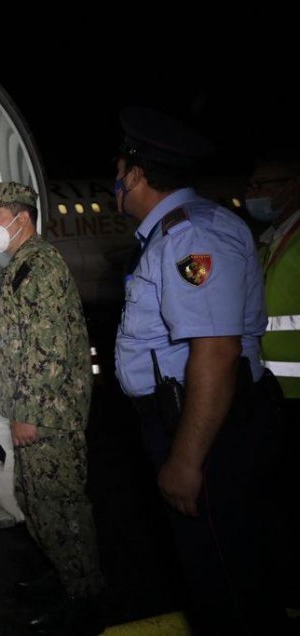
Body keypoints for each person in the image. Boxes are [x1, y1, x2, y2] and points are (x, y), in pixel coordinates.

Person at [114, 108, 288, 633]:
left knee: (225, 581)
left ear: (138, 174)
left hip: (204, 427)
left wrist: (187, 460)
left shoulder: (191, 239)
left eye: (119, 168)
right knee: (222, 571)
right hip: (199, 419)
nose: (115, 180)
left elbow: (215, 351)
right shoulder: (182, 232)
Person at [0, 182, 104, 634]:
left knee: (62, 508)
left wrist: (27, 413)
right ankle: (64, 574)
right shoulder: (24, 264)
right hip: (37, 412)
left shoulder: (41, 267)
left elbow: (47, 350)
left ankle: (84, 596)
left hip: (49, 416)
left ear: (21, 218)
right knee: (38, 502)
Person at [245, 158, 300, 611]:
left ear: (293, 185)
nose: (253, 190)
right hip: (276, 395)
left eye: (264, 182)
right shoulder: (269, 241)